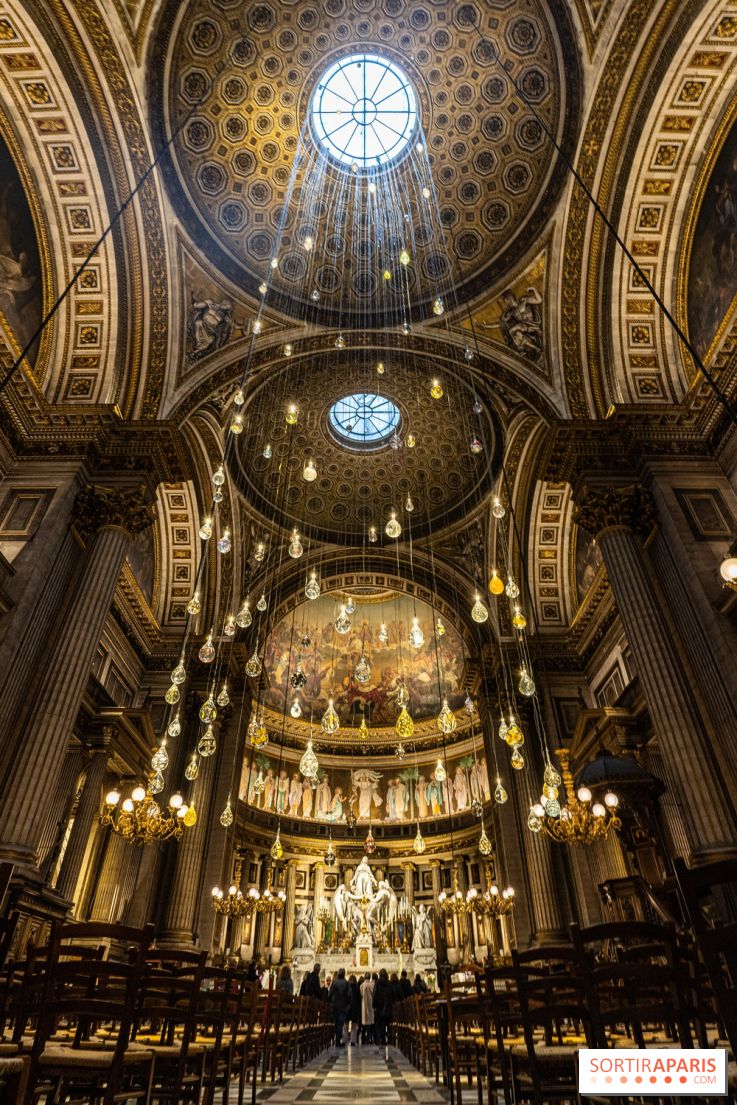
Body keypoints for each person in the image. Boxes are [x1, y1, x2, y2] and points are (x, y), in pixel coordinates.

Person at [329, 967, 351, 1047]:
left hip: (335, 1005)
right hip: (343, 1006)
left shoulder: (334, 982)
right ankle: (338, 1040)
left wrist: (331, 1001)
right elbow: (349, 995)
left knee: (336, 1022)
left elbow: (330, 994)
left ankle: (337, 1039)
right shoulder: (346, 983)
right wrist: (348, 1004)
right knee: (340, 1023)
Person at [373, 968, 393, 1047]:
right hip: (387, 1007)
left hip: (379, 1007)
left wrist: (373, 1005)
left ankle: (379, 1039)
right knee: (384, 1024)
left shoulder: (377, 983)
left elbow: (375, 995)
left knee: (378, 1024)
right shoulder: (389, 984)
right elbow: (392, 995)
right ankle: (384, 1039)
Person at [360, 973, 375, 1044]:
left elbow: (360, 995)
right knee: (371, 1022)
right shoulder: (372, 984)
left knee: (364, 1023)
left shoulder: (362, 985)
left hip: (364, 1005)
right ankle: (370, 1038)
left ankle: (363, 1038)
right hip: (371, 1005)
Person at [347, 973, 362, 1045]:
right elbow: (359, 999)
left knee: (345, 1025)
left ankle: (344, 1040)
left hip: (347, 1008)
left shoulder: (347, 987)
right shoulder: (357, 988)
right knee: (354, 1025)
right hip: (355, 1009)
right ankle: (353, 1041)